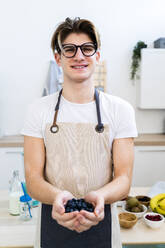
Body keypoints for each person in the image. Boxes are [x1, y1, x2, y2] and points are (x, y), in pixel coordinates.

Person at [21, 17, 138, 248]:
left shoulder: (120, 110)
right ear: (58, 58)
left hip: (102, 221)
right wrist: (57, 198)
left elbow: (123, 179)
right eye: (69, 49)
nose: (79, 56)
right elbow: (33, 179)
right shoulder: (38, 110)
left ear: (97, 56)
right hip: (51, 221)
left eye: (87, 48)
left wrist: (101, 196)